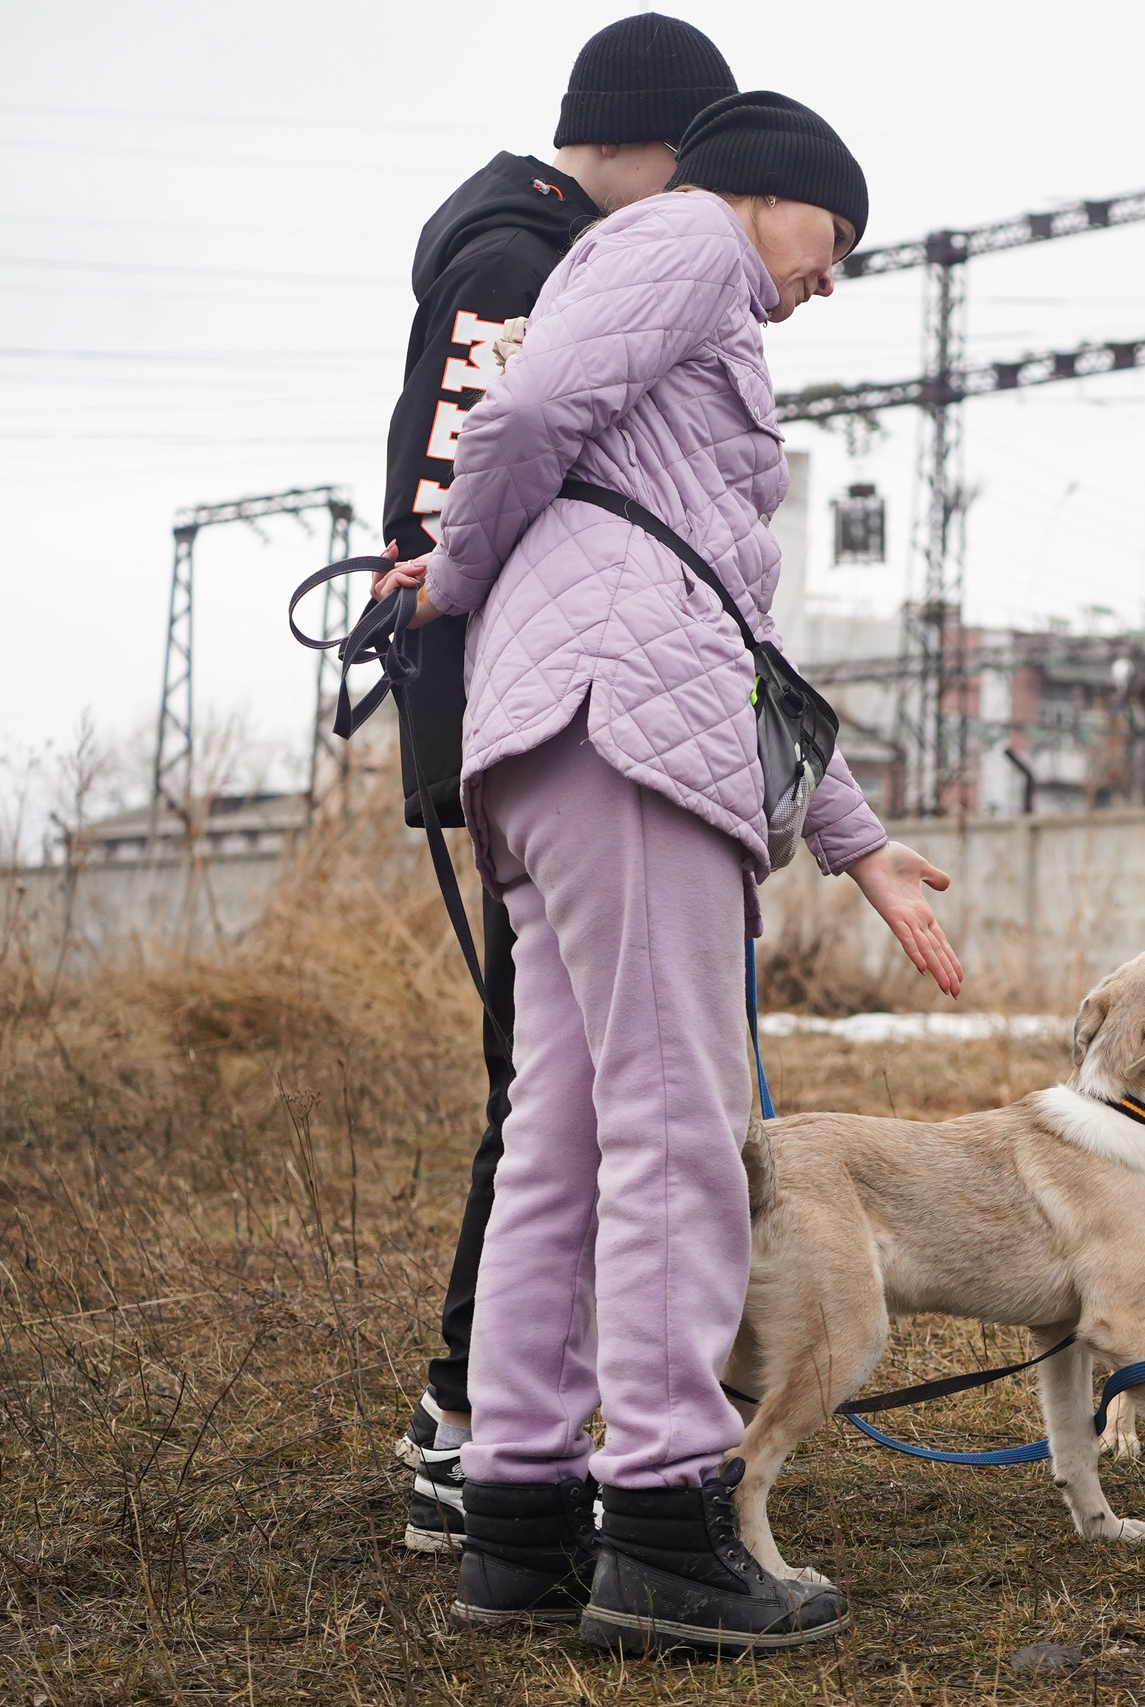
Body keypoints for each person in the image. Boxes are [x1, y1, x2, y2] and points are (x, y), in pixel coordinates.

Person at [372, 93, 961, 1653]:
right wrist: (463, 576)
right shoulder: (685, 238)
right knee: (680, 1134)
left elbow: (733, 626)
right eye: (835, 241)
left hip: (568, 734)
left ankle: (516, 1521)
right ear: (770, 197)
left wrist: (859, 841)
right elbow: (519, 411)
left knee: (560, 1139)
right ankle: (668, 1526)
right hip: (625, 735)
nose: (828, 280)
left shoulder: (680, 330)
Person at [379, 13, 737, 1556]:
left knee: (558, 1094)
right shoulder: (526, 267)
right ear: (656, 149)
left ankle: (500, 1447)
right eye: (699, 169)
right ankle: (478, 1429)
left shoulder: (521, 250)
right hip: (564, 726)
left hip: (532, 717)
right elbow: (493, 469)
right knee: (580, 1093)